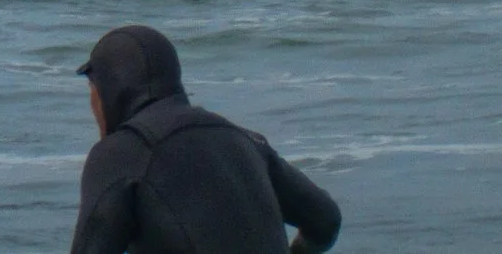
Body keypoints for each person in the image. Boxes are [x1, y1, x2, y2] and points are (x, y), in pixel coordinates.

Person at [70, 24, 341, 254]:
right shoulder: (244, 140)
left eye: (92, 90)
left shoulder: (120, 154)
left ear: (108, 90)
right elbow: (325, 220)